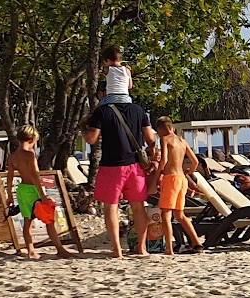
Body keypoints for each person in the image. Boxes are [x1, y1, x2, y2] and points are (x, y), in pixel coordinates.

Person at [83, 96, 157, 258]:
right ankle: (141, 248)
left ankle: (117, 250)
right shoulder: (138, 110)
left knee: (111, 207)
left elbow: (91, 139)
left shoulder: (102, 111)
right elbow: (150, 139)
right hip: (135, 166)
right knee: (138, 207)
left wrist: (84, 126)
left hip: (111, 166)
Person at [3, 126, 73, 259]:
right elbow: (35, 175)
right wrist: (42, 195)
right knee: (49, 220)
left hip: (22, 189)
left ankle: (30, 250)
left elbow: (10, 177)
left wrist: (10, 196)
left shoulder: (13, 157)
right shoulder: (30, 154)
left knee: (27, 221)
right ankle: (60, 249)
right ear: (33, 139)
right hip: (33, 189)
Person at [154, 117, 204, 255]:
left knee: (166, 214)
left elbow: (163, 160)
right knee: (180, 214)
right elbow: (194, 162)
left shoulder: (165, 139)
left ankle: (169, 248)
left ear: (160, 129)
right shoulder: (182, 141)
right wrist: (189, 172)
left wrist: (157, 174)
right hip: (182, 179)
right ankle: (197, 243)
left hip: (171, 178)